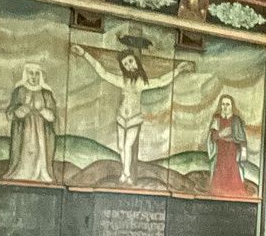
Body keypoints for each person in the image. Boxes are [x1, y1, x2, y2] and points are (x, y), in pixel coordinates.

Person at [71, 45, 191, 184]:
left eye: (131, 61)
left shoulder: (141, 83)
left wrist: (177, 70)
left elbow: (161, 81)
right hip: (121, 118)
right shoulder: (122, 81)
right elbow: (103, 72)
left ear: (136, 61)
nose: (129, 65)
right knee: (121, 147)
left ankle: (126, 173)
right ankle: (125, 172)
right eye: (126, 64)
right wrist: (84, 54)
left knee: (127, 146)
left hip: (134, 119)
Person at [3, 63, 58, 183]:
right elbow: (10, 112)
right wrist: (18, 111)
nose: (33, 76)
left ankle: (41, 173)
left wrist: (46, 113)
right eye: (31, 73)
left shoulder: (46, 93)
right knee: (25, 155)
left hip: (41, 132)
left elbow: (53, 116)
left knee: (40, 153)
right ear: (26, 75)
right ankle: (22, 172)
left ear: (40, 76)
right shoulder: (19, 91)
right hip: (25, 131)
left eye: (36, 73)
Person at [207, 94, 250, 198]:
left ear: (232, 106)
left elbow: (242, 138)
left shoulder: (236, 120)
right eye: (223, 104)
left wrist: (244, 152)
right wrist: (222, 134)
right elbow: (213, 137)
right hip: (220, 150)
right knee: (220, 170)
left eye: (227, 104)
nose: (225, 107)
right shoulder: (217, 119)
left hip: (232, 149)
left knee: (232, 169)